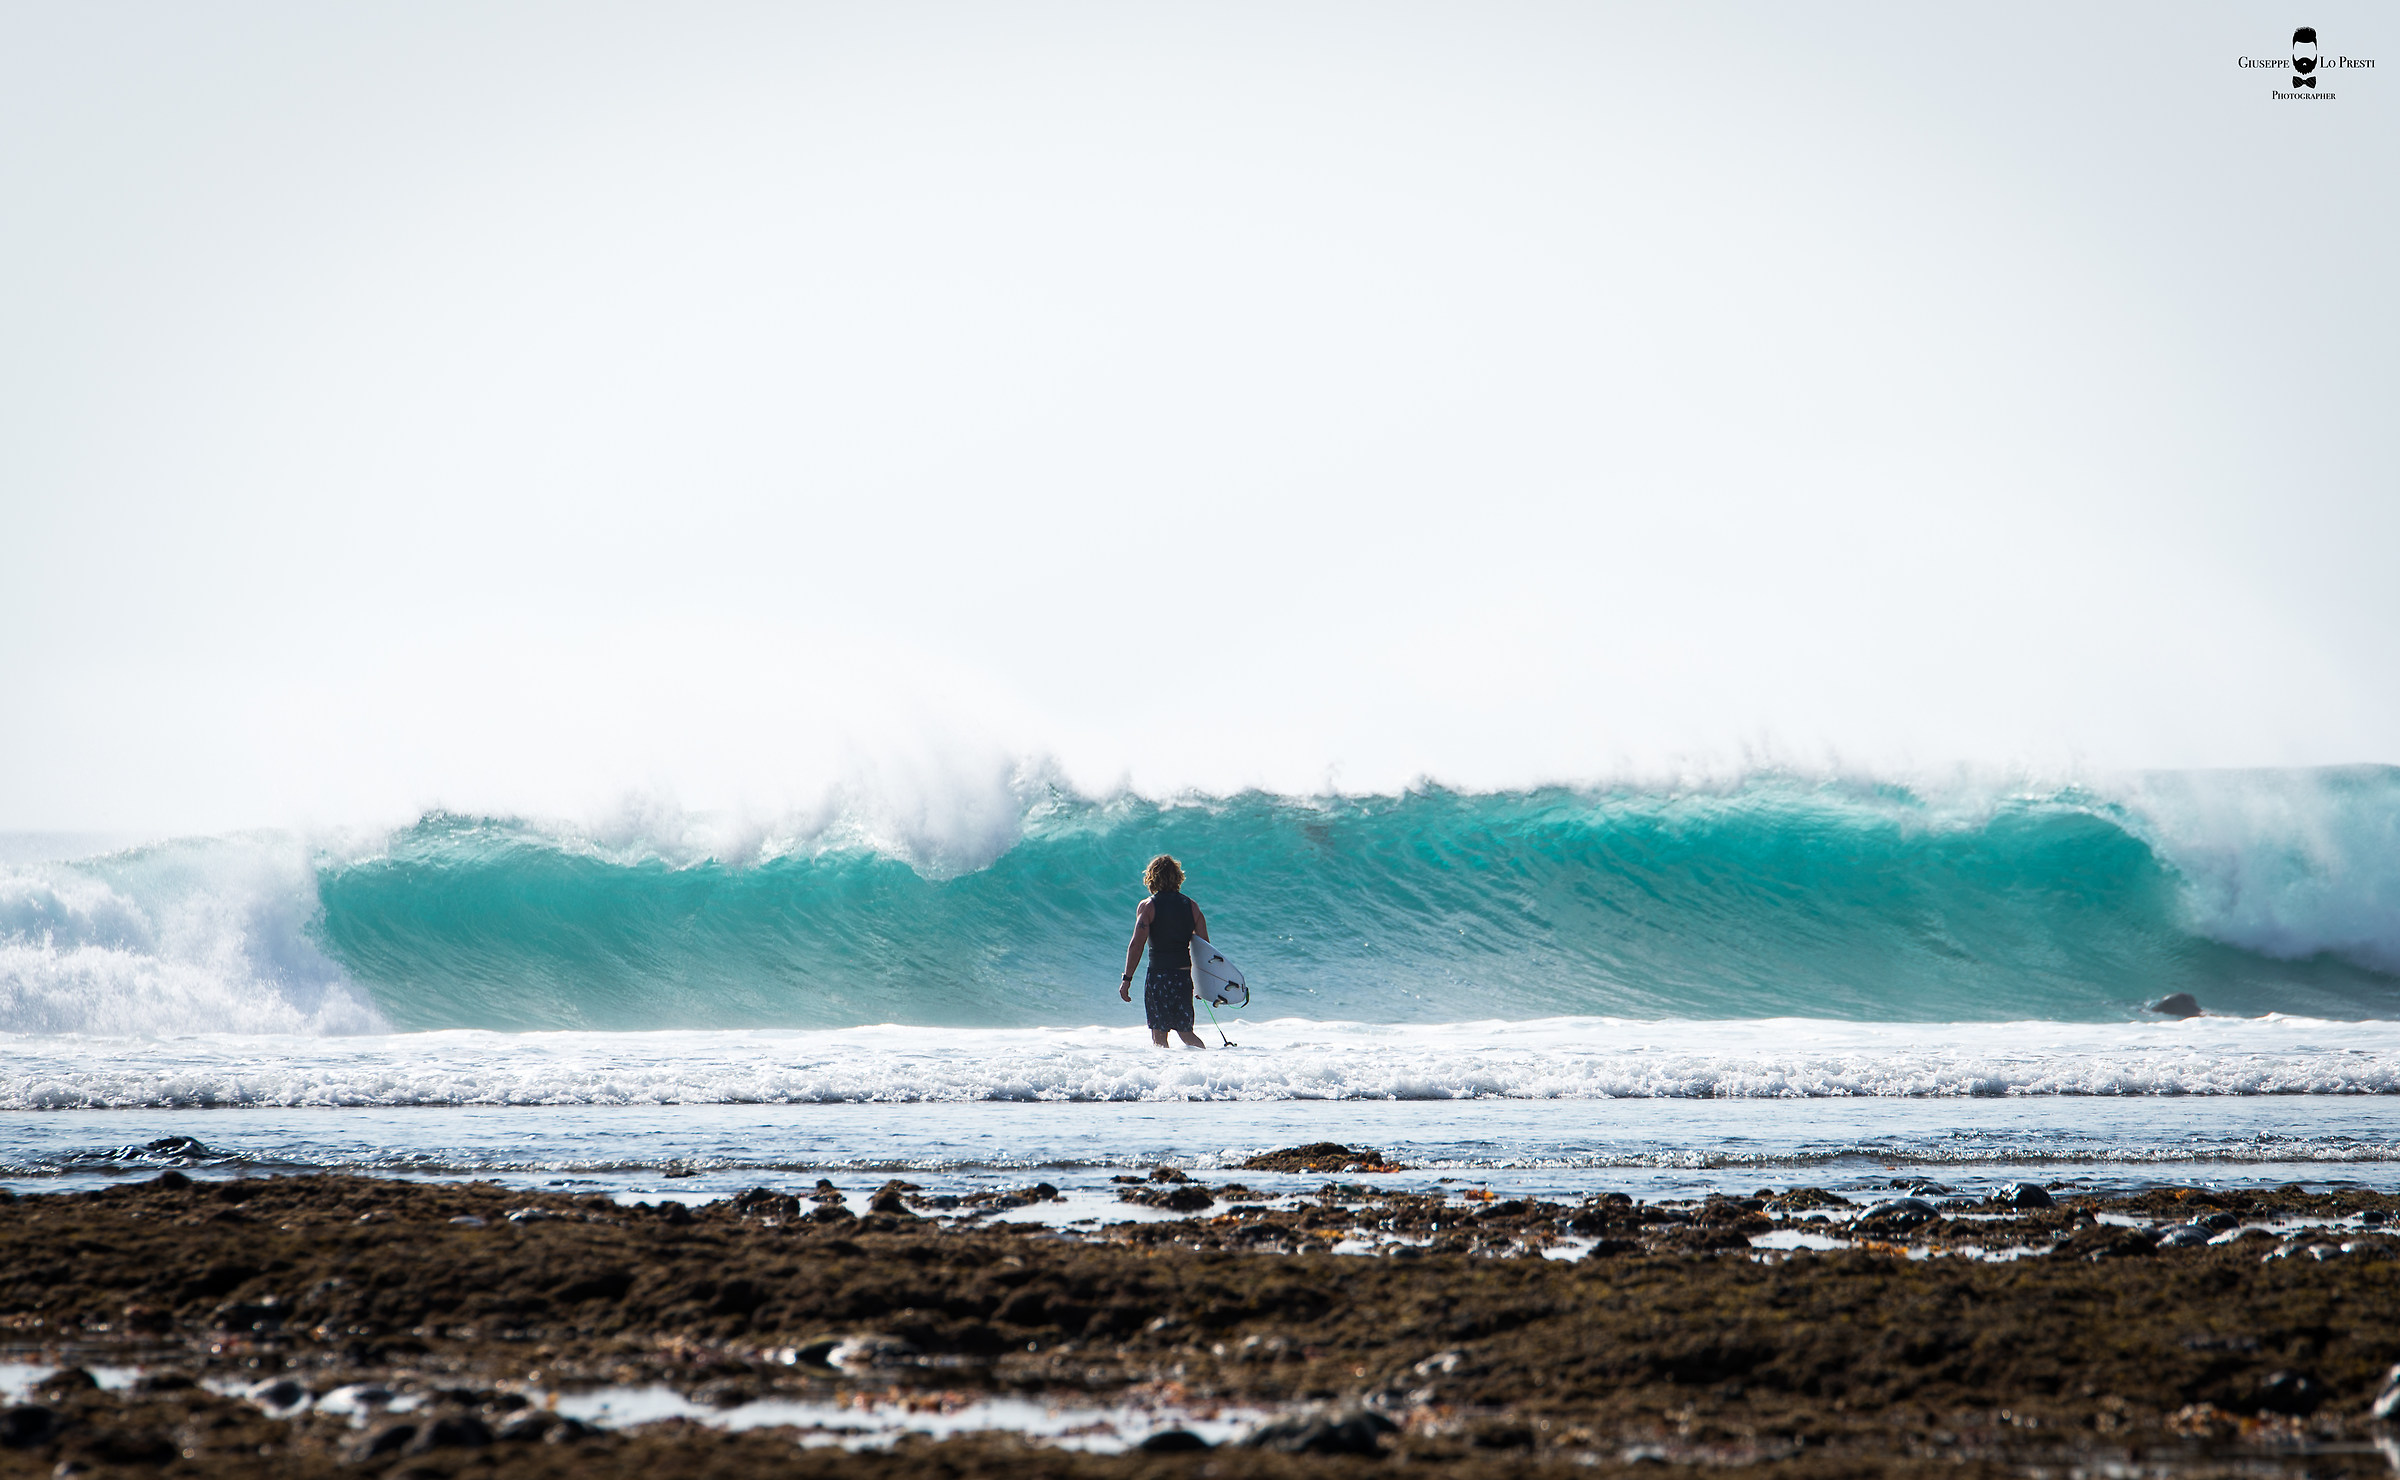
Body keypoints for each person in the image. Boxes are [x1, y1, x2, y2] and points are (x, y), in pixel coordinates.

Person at [1118, 853, 1209, 1048]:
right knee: (1186, 1033)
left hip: (1159, 978)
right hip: (1183, 978)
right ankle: (1207, 1066)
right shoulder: (1192, 907)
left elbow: (1137, 944)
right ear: (1178, 877)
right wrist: (1203, 984)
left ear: (1152, 877)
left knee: (1159, 1036)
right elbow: (1204, 948)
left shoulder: (1148, 906)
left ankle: (1165, 1076)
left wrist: (1127, 979)